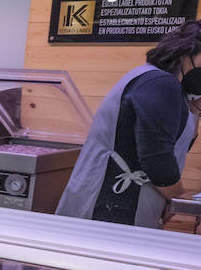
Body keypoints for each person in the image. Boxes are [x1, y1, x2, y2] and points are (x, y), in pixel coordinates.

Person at [57, 20, 201, 228]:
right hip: (114, 204)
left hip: (112, 200)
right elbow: (157, 159)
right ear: (186, 50)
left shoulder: (150, 78)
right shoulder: (162, 85)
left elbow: (174, 144)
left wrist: (195, 106)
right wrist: (178, 199)